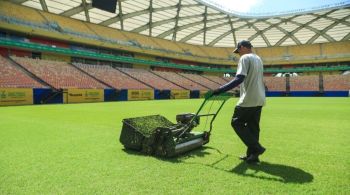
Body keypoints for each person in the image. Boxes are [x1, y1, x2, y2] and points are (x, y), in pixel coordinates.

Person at [208, 40, 266, 164]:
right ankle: (252, 156)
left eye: (238, 50)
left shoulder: (245, 58)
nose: (238, 53)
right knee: (253, 127)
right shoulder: (258, 59)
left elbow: (239, 78)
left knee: (236, 122)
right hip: (260, 98)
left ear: (243, 47)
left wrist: (220, 89)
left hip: (248, 98)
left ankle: (257, 148)